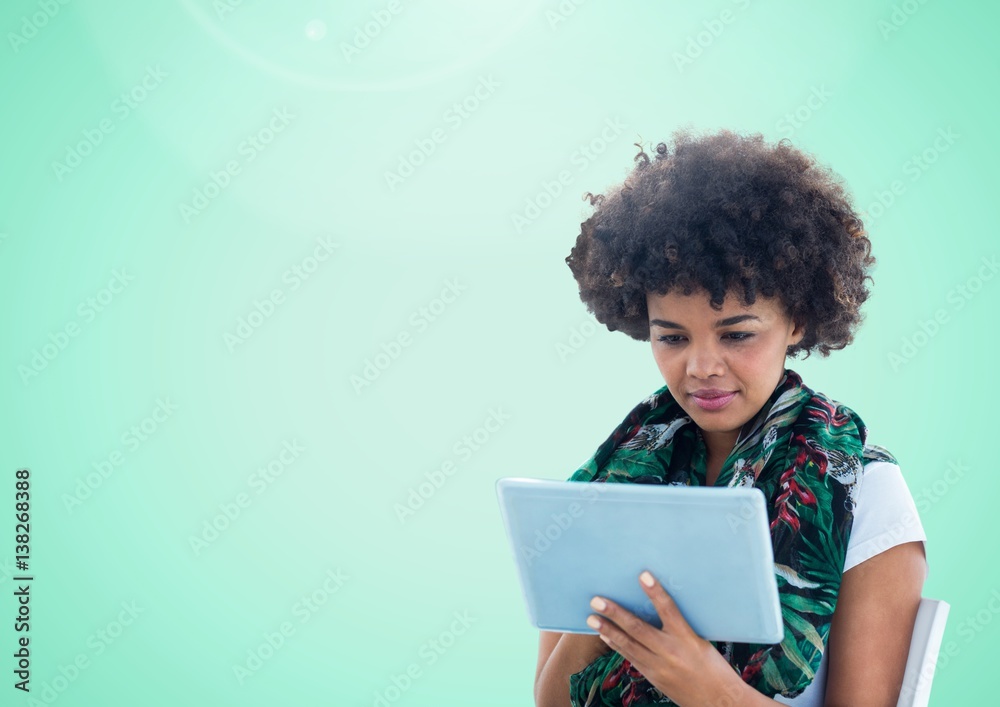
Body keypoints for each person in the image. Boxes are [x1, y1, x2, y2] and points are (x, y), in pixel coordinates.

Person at [534, 128, 929, 707]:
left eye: (737, 334)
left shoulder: (866, 494)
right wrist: (609, 604)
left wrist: (710, 692)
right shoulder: (609, 483)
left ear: (796, 321)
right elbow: (549, 700)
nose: (701, 367)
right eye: (671, 337)